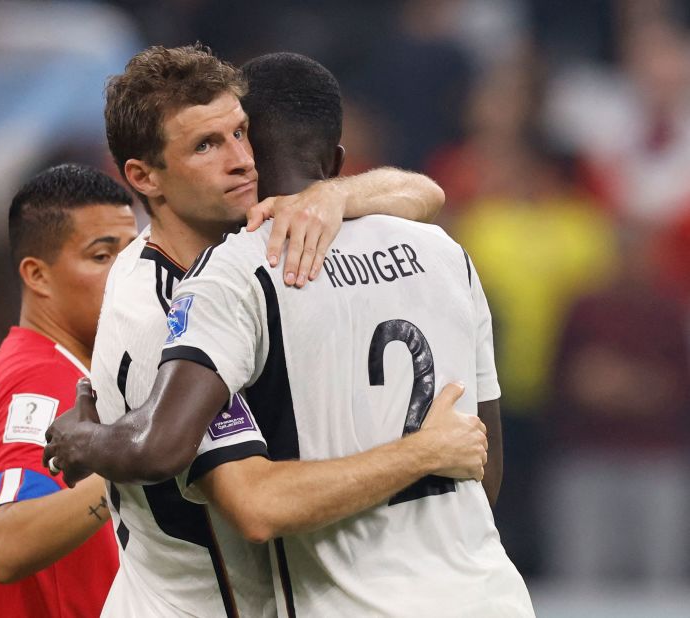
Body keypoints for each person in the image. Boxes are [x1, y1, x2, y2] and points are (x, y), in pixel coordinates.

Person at [44, 46, 496, 616]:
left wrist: (335, 193)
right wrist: (423, 453)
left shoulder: (241, 259)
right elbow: (252, 504)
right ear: (143, 177)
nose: (242, 161)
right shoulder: (170, 307)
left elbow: (427, 194)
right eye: (207, 146)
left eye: (241, 133)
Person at [0, 164, 136, 617]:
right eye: (102, 256)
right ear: (37, 275)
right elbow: (8, 544)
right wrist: (129, 469)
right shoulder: (43, 381)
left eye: (134, 252)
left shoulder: (5, 368)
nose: (129, 273)